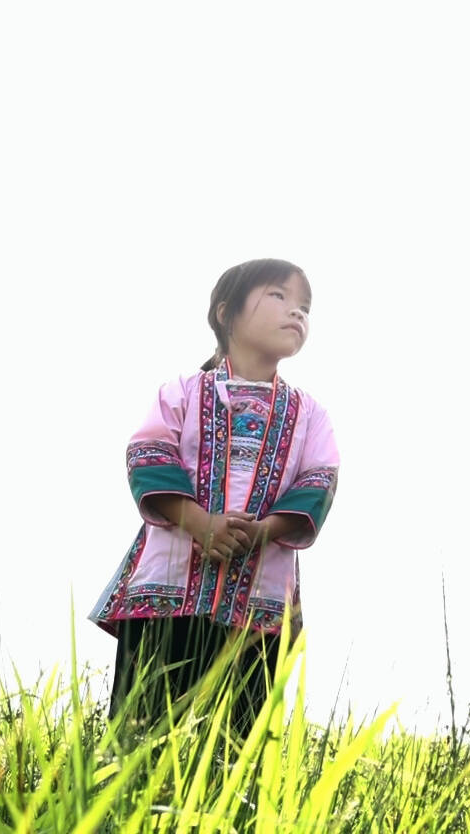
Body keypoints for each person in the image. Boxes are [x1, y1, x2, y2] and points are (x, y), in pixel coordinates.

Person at [91, 258, 340, 736]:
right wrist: (202, 524)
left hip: (258, 604)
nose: (297, 313)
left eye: (305, 307)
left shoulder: (310, 414)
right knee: (143, 735)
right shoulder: (182, 391)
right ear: (226, 313)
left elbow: (318, 483)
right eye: (279, 296)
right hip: (167, 594)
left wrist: (262, 531)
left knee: (236, 746)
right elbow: (148, 456)